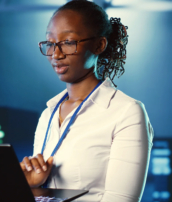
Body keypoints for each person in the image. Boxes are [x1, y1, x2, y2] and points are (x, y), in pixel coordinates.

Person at [19, 0, 154, 202]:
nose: (56, 54)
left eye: (68, 42)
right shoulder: (48, 114)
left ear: (99, 45)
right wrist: (30, 187)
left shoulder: (126, 112)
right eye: (50, 43)